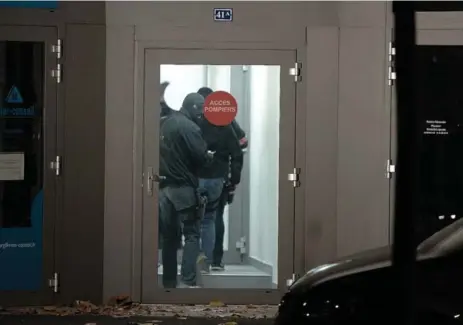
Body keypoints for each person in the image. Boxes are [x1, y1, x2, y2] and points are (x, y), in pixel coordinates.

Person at [158, 92, 213, 288]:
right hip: (183, 189)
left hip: (164, 189)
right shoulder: (189, 127)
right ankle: (188, 281)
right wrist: (208, 156)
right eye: (200, 109)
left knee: (169, 237)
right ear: (193, 108)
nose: (202, 114)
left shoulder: (165, 123)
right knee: (191, 234)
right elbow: (200, 156)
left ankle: (169, 282)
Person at [196, 87, 246, 273]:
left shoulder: (195, 123)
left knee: (196, 219)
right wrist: (234, 179)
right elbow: (241, 144)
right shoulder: (226, 122)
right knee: (215, 217)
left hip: (199, 176)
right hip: (220, 177)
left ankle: (197, 261)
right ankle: (215, 260)